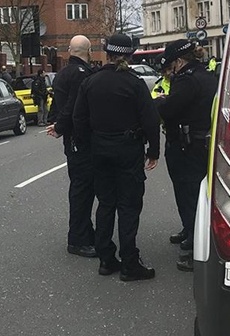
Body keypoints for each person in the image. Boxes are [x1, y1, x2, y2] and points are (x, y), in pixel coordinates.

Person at [73, 34, 160, 281]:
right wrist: (153, 151)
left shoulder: (90, 82)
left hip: (99, 150)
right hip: (128, 149)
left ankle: (106, 259)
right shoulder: (134, 83)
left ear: (107, 53)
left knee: (106, 204)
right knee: (129, 206)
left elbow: (79, 118)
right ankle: (130, 263)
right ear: (129, 55)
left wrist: (86, 145)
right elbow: (150, 119)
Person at [155, 40, 218, 272]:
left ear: (179, 61)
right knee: (196, 193)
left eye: (170, 66)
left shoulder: (186, 80)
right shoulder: (207, 75)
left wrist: (159, 103)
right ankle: (189, 230)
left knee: (188, 194)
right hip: (201, 143)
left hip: (186, 146)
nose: (168, 71)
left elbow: (171, 110)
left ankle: (194, 246)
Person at [46, 35, 96, 258]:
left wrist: (55, 122)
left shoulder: (62, 74)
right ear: (89, 50)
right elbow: (73, 108)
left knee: (80, 188)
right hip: (81, 140)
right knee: (82, 191)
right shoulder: (82, 75)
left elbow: (58, 104)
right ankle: (78, 239)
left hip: (72, 141)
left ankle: (85, 232)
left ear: (69, 50)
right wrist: (60, 126)